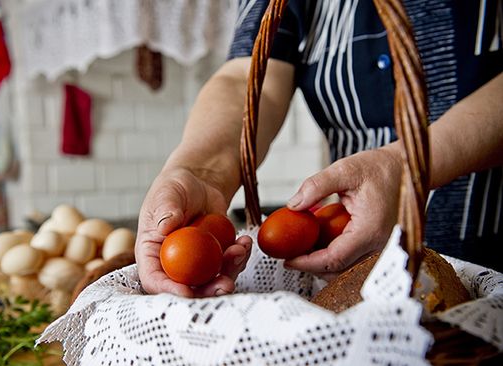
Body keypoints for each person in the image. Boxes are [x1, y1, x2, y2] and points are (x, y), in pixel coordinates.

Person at [135, 0, 503, 297]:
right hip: (352, 273)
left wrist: (406, 168)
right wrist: (200, 171)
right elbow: (248, 79)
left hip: (490, 264)